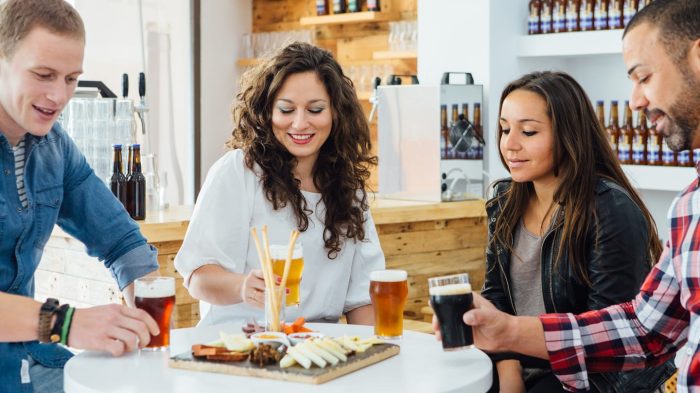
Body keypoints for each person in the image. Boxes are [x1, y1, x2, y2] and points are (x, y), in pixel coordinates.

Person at [433, 0, 700, 391]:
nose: (635, 101)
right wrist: (504, 334)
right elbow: (644, 329)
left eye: (643, 77)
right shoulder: (689, 206)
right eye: (505, 129)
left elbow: (619, 359)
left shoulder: (609, 206)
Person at [0, 0, 161, 391]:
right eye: (43, 74)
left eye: (71, 78)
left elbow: (122, 242)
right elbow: (64, 324)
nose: (58, 95)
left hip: (23, 362)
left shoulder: (56, 149)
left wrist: (153, 321)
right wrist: (65, 322)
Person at [482, 71, 674, 393]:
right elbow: (496, 296)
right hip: (522, 366)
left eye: (528, 131)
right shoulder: (505, 200)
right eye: (504, 129)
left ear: (568, 134)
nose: (509, 144)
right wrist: (510, 376)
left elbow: (610, 339)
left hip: (593, 378)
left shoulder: (609, 208)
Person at [175, 42, 384, 326]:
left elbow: (362, 300)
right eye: (286, 110)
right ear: (267, 112)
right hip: (239, 344)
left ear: (336, 113)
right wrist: (242, 286)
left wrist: (376, 354)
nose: (300, 123)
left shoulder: (349, 190)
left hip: (316, 350)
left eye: (315, 109)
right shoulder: (240, 171)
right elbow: (198, 277)